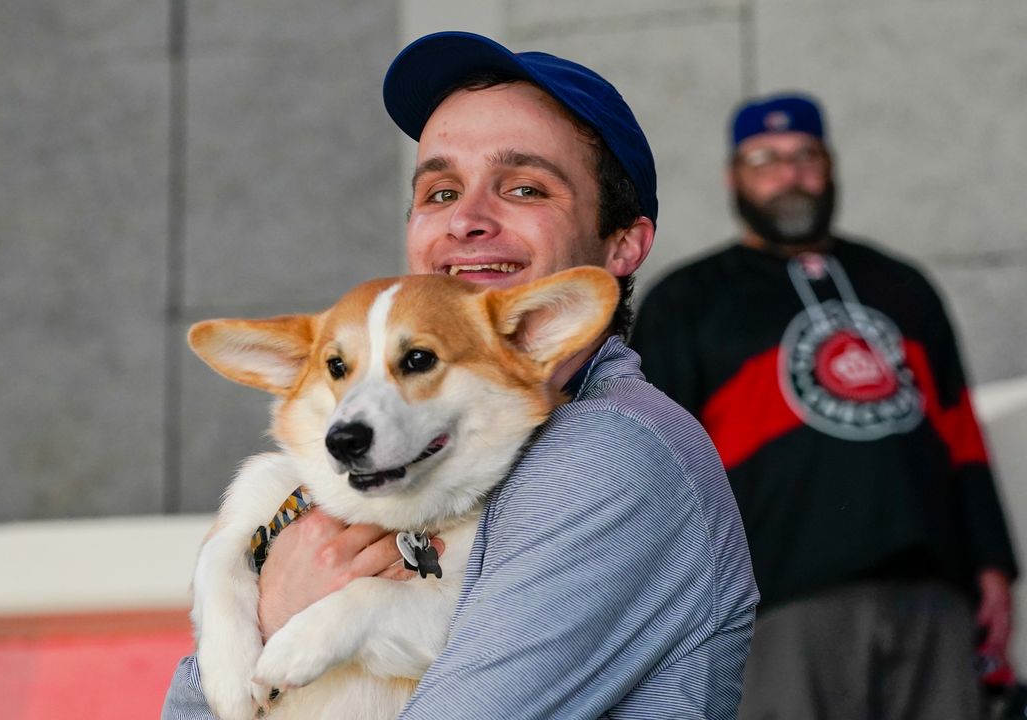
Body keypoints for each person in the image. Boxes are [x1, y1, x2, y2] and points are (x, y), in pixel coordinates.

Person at [163, 31, 758, 719]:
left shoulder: (607, 448)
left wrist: (295, 615)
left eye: (525, 187)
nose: (466, 220)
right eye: (441, 191)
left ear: (622, 244)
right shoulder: (422, 452)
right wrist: (263, 610)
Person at [631, 92, 1019, 719]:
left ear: (830, 166)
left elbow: (961, 434)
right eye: (766, 160)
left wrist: (994, 565)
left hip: (932, 598)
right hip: (776, 602)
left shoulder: (902, 284)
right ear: (733, 176)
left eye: (806, 156)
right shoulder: (687, 300)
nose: (790, 174)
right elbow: (652, 466)